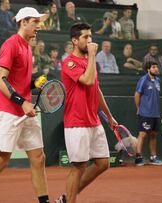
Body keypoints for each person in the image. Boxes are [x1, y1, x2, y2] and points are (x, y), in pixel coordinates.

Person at [0, 7, 50, 203]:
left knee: (38, 157)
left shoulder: (27, 47)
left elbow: (18, 81)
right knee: (0, 160)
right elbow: (0, 79)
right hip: (8, 111)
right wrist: (22, 102)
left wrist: (33, 83)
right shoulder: (11, 44)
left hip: (26, 111)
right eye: (35, 22)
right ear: (23, 22)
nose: (38, 26)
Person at [56, 22, 118, 203]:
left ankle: (67, 197)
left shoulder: (88, 61)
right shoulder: (68, 62)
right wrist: (92, 55)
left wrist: (109, 116)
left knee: (103, 163)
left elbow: (96, 90)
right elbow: (88, 80)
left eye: (91, 36)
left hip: (94, 121)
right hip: (76, 123)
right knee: (79, 167)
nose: (90, 40)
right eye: (85, 37)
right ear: (75, 40)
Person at [134, 61, 162, 167]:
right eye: (153, 67)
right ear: (148, 69)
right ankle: (138, 157)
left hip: (155, 113)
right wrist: (139, 108)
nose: (156, 69)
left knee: (153, 135)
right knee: (142, 134)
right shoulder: (143, 80)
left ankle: (153, 157)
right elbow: (137, 94)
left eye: (156, 67)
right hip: (145, 112)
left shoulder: (158, 80)